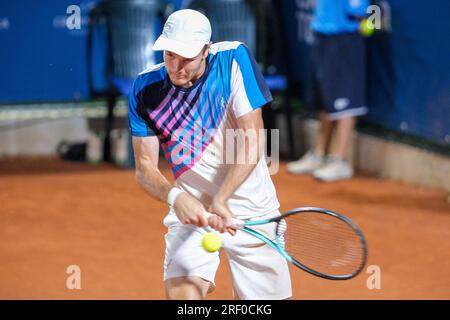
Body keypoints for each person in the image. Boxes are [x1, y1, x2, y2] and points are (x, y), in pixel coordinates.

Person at [128, 9, 291, 300]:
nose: (177, 67)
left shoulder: (232, 60)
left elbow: (253, 140)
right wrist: (176, 198)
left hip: (253, 213)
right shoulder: (144, 89)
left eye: (187, 58)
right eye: (169, 56)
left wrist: (222, 198)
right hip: (192, 215)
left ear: (206, 49)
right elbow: (144, 168)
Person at [287, 0, 369, 182]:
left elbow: (360, 11)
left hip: (344, 41)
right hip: (322, 37)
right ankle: (319, 155)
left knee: (345, 103)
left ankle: (339, 160)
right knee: (324, 101)